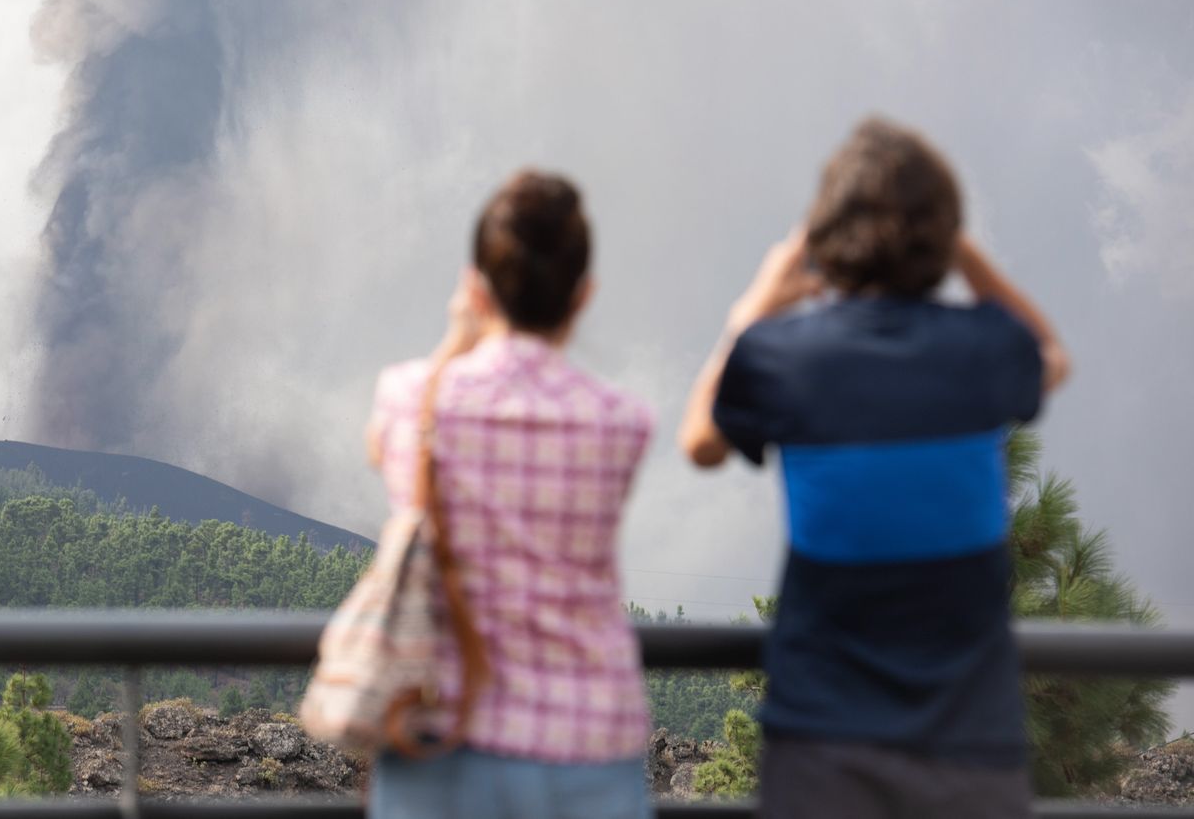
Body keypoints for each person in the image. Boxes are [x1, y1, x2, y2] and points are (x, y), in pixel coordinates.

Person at [677, 117, 1070, 819]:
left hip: (820, 751)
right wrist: (965, 255)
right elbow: (1051, 355)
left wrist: (750, 310)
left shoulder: (784, 357)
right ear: (943, 236)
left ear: (826, 240)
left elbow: (700, 442)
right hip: (971, 754)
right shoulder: (980, 350)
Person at [364, 170, 654, 819]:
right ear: (583, 296)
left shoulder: (411, 398)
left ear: (476, 287)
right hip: (585, 746)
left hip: (442, 741)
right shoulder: (623, 422)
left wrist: (453, 345)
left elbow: (379, 448)